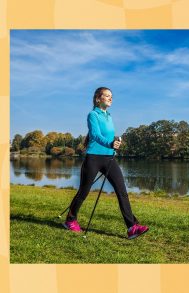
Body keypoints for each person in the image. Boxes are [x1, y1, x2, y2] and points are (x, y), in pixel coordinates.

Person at [64, 87, 149, 240]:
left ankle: (132, 227)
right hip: (93, 158)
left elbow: (109, 137)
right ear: (98, 98)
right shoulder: (93, 115)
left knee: (121, 191)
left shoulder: (109, 116)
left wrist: (115, 142)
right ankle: (70, 220)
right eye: (107, 96)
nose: (111, 98)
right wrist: (110, 143)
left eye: (111, 96)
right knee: (83, 192)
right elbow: (95, 135)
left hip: (109, 158)